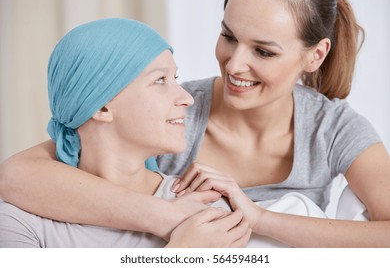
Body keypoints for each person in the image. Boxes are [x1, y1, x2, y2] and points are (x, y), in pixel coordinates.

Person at [1, 0, 390, 247]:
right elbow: (22, 173)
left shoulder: (334, 129)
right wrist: (167, 220)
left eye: (264, 52)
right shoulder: (169, 118)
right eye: (229, 36)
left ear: (315, 55)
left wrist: (258, 218)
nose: (234, 64)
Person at [0, 18, 251, 247]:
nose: (186, 98)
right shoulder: (19, 218)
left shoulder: (206, 211)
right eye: (160, 80)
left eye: (175, 78)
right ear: (102, 106)